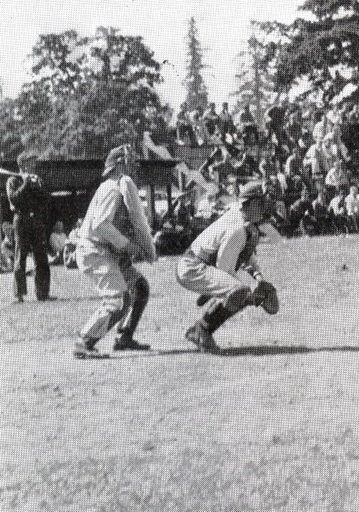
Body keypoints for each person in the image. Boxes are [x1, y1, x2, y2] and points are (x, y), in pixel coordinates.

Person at [73, 144, 157, 359]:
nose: (134, 165)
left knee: (139, 287)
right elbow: (102, 224)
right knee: (117, 301)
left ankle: (124, 337)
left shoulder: (118, 186)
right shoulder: (112, 187)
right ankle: (84, 341)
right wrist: (128, 246)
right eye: (130, 161)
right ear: (119, 165)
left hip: (105, 250)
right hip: (94, 250)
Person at [175, 181, 279, 353]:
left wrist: (259, 278)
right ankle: (201, 331)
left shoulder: (243, 220)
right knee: (239, 292)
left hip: (200, 265)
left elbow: (246, 255)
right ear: (251, 203)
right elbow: (225, 271)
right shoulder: (237, 228)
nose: (265, 207)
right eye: (261, 203)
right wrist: (255, 298)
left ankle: (200, 329)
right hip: (192, 268)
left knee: (240, 292)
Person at [7, 150, 52, 303]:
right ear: (23, 164)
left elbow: (46, 199)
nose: (34, 164)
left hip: (36, 220)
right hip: (21, 220)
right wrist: (26, 184)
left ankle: (43, 294)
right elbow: (14, 200)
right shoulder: (13, 181)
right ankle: (19, 295)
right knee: (21, 257)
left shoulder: (36, 180)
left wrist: (37, 186)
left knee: (41, 257)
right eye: (30, 162)